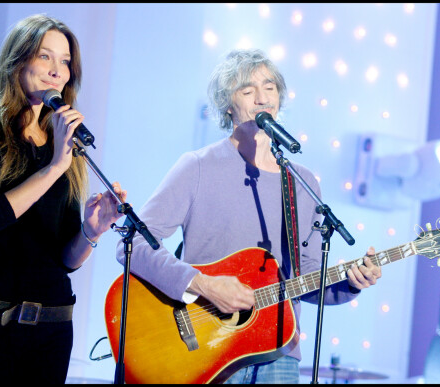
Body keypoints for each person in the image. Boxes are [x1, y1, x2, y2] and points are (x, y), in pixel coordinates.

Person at [115, 48, 381, 384]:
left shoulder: (301, 181)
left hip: (278, 354)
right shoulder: (197, 166)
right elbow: (133, 244)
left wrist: (350, 283)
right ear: (227, 104)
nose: (262, 99)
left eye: (270, 88)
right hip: (206, 350)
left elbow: (307, 276)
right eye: (247, 90)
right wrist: (204, 285)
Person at [0, 14, 127, 384]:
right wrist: (56, 165)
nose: (57, 70)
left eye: (65, 62)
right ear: (18, 60)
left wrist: (91, 231)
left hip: (52, 334)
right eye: (45, 57)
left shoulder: (63, 146)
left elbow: (65, 259)